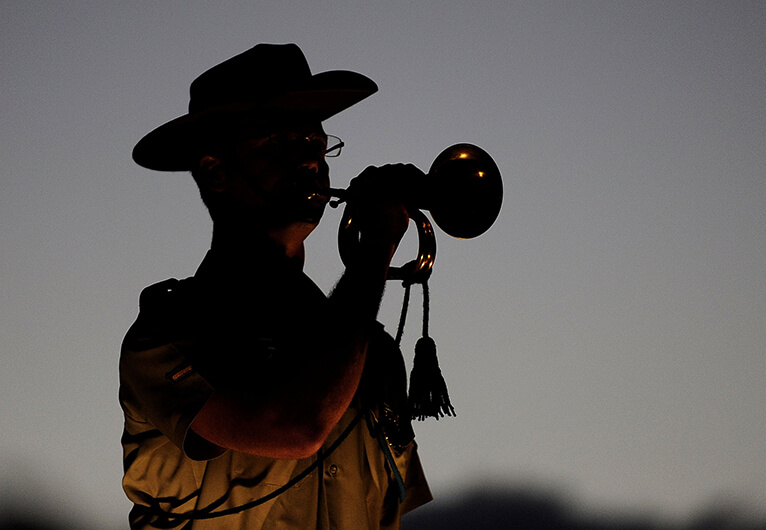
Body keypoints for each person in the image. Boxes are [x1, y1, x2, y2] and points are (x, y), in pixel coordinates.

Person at [120, 43, 433, 529]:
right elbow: (297, 426)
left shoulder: (372, 353)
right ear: (215, 171)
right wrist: (373, 254)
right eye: (280, 143)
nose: (309, 160)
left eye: (314, 142)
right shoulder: (167, 331)